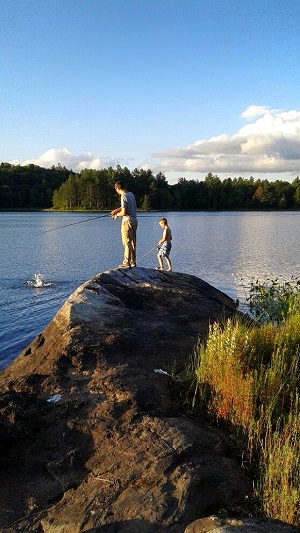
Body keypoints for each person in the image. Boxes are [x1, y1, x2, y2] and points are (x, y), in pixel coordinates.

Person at [111, 181, 138, 268]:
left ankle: (126, 262)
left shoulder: (123, 196)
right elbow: (125, 207)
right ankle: (133, 262)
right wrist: (116, 210)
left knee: (126, 242)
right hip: (134, 221)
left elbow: (124, 211)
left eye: (116, 190)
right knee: (132, 242)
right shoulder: (131, 194)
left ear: (117, 188)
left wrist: (117, 215)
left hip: (127, 221)